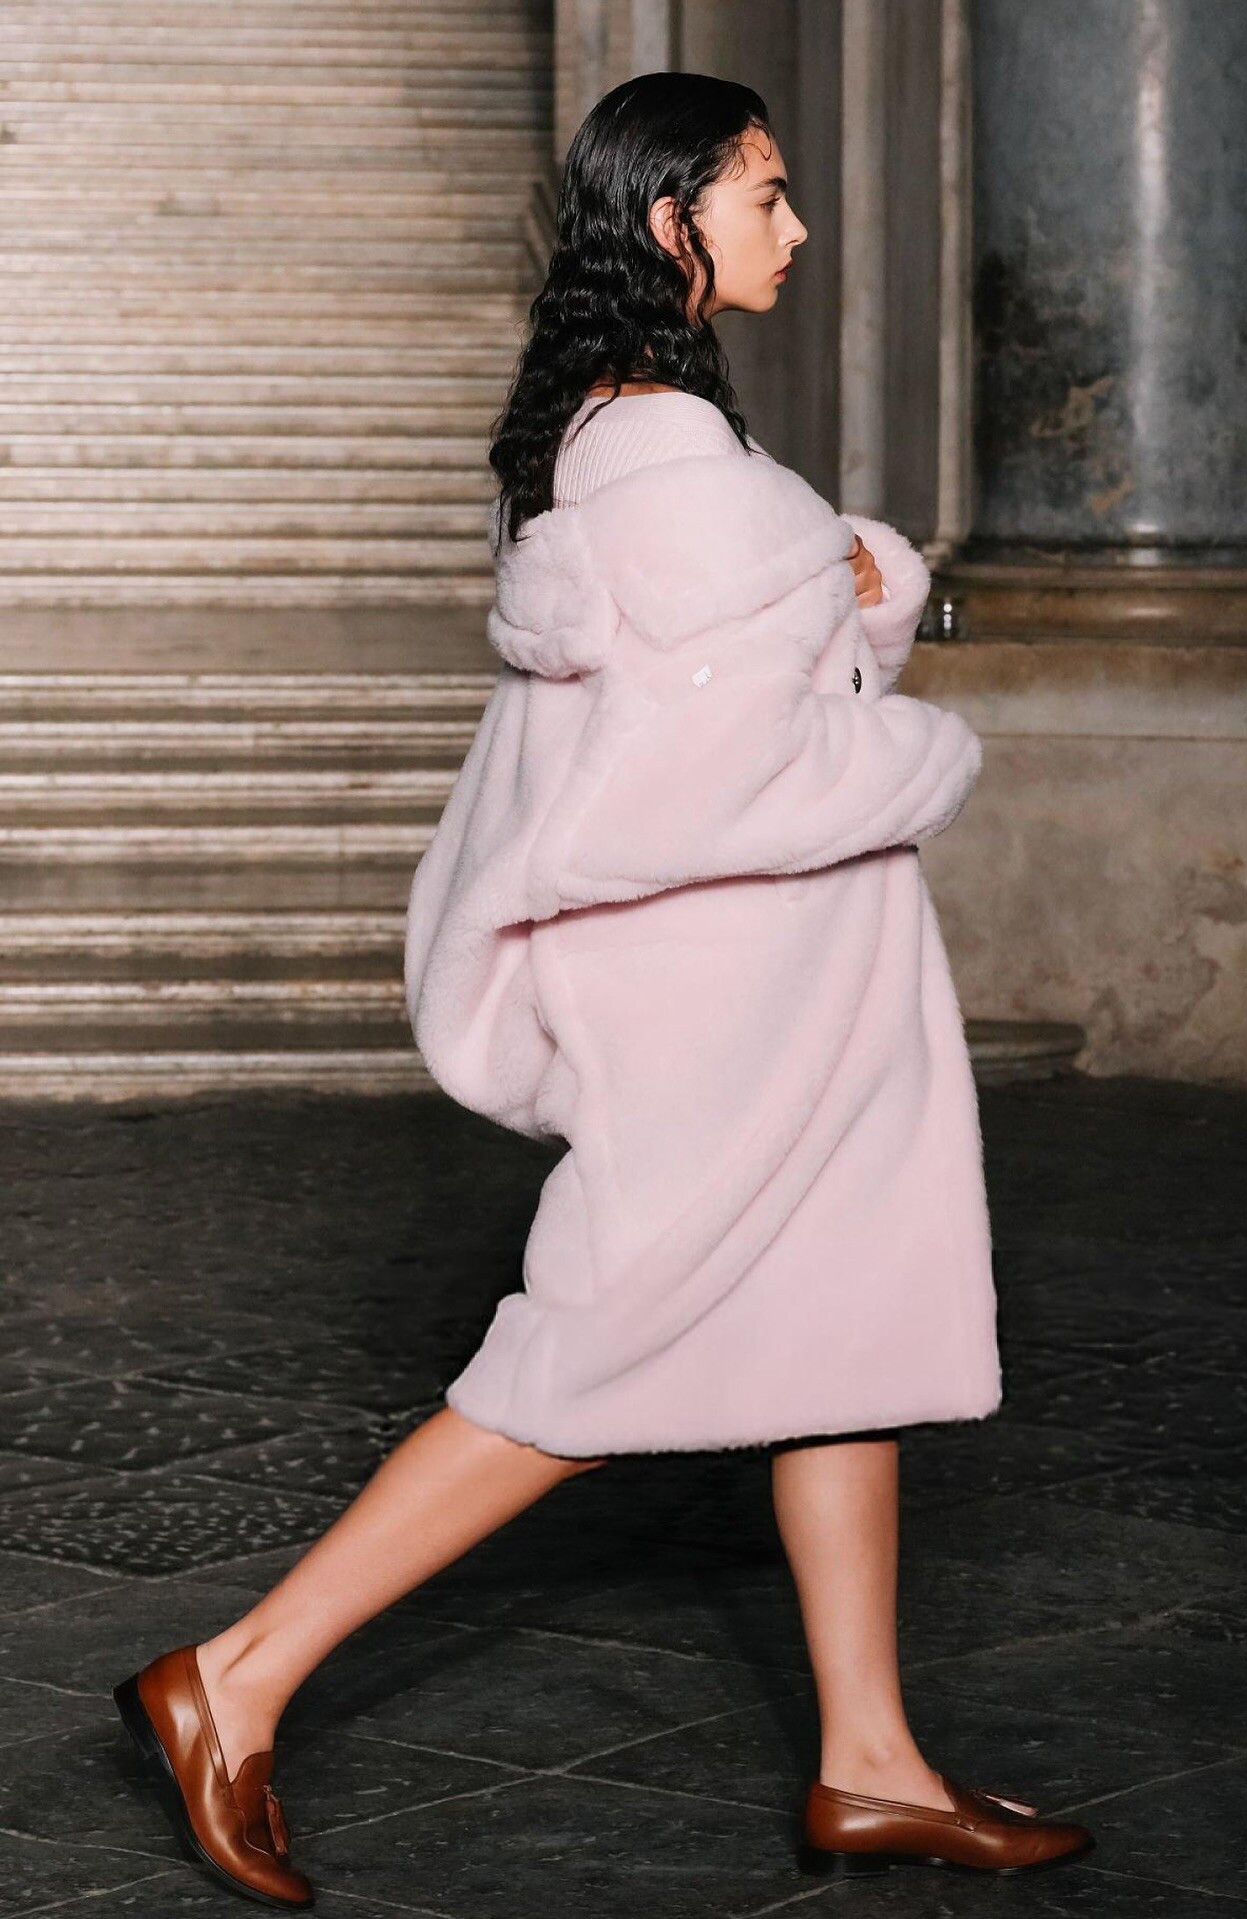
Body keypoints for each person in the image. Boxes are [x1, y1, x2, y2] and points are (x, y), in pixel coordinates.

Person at [111, 71, 1095, 1908]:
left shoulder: (619, 437)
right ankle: (235, 1679)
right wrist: (918, 748)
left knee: (848, 1335)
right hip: (739, 997)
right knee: (588, 1351)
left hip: (772, 991)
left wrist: (860, 599)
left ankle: (872, 1761)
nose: (795, 226)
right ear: (670, 220)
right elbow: (710, 779)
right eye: (764, 194)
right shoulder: (681, 471)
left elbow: (698, 699)